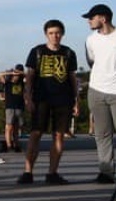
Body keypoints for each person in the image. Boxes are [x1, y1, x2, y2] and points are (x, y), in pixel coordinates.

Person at [18, 19, 79, 185]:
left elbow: (73, 78)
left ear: (62, 34)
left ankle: (52, 173)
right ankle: (28, 172)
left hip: (63, 99)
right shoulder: (37, 51)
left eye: (58, 33)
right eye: (51, 33)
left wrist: (76, 100)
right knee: (36, 133)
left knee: (59, 135)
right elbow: (30, 76)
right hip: (41, 99)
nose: (55, 36)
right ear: (46, 34)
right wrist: (28, 97)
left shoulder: (69, 53)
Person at [84, 4, 116, 184]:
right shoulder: (91, 40)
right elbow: (92, 61)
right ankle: (106, 172)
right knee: (102, 134)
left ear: (103, 18)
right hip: (96, 91)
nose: (89, 21)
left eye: (92, 18)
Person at [2, 65, 26, 153]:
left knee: (16, 128)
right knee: (9, 126)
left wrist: (19, 72)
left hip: (19, 107)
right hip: (10, 107)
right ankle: (8, 144)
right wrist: (11, 72)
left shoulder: (21, 82)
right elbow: (1, 75)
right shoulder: (8, 82)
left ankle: (16, 144)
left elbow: (27, 75)